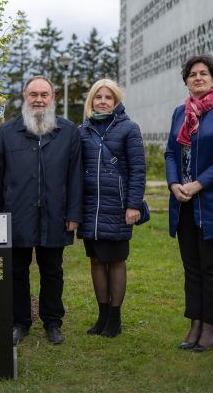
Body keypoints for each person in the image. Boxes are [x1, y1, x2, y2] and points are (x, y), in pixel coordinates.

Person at [0, 75, 83, 346]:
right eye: (33, 94)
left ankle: (53, 321)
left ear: (53, 98)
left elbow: (75, 176)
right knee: (17, 271)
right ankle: (20, 322)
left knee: (53, 270)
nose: (38, 99)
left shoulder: (68, 132)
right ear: (24, 97)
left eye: (44, 94)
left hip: (55, 214)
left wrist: (74, 214)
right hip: (16, 216)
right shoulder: (7, 133)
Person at [165, 54, 213, 352]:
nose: (198, 78)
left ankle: (210, 325)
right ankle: (195, 320)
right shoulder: (178, 114)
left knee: (211, 266)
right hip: (183, 202)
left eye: (203, 73)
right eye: (192, 74)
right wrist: (174, 184)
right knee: (191, 266)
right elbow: (171, 153)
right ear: (186, 80)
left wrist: (198, 184)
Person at [77, 79, 146, 338]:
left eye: (108, 97)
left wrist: (133, 205)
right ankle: (102, 315)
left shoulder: (129, 128)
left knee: (115, 261)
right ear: (91, 101)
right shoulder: (82, 130)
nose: (102, 101)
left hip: (117, 206)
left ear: (116, 101)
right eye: (98, 97)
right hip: (90, 208)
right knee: (96, 261)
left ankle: (115, 318)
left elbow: (138, 170)